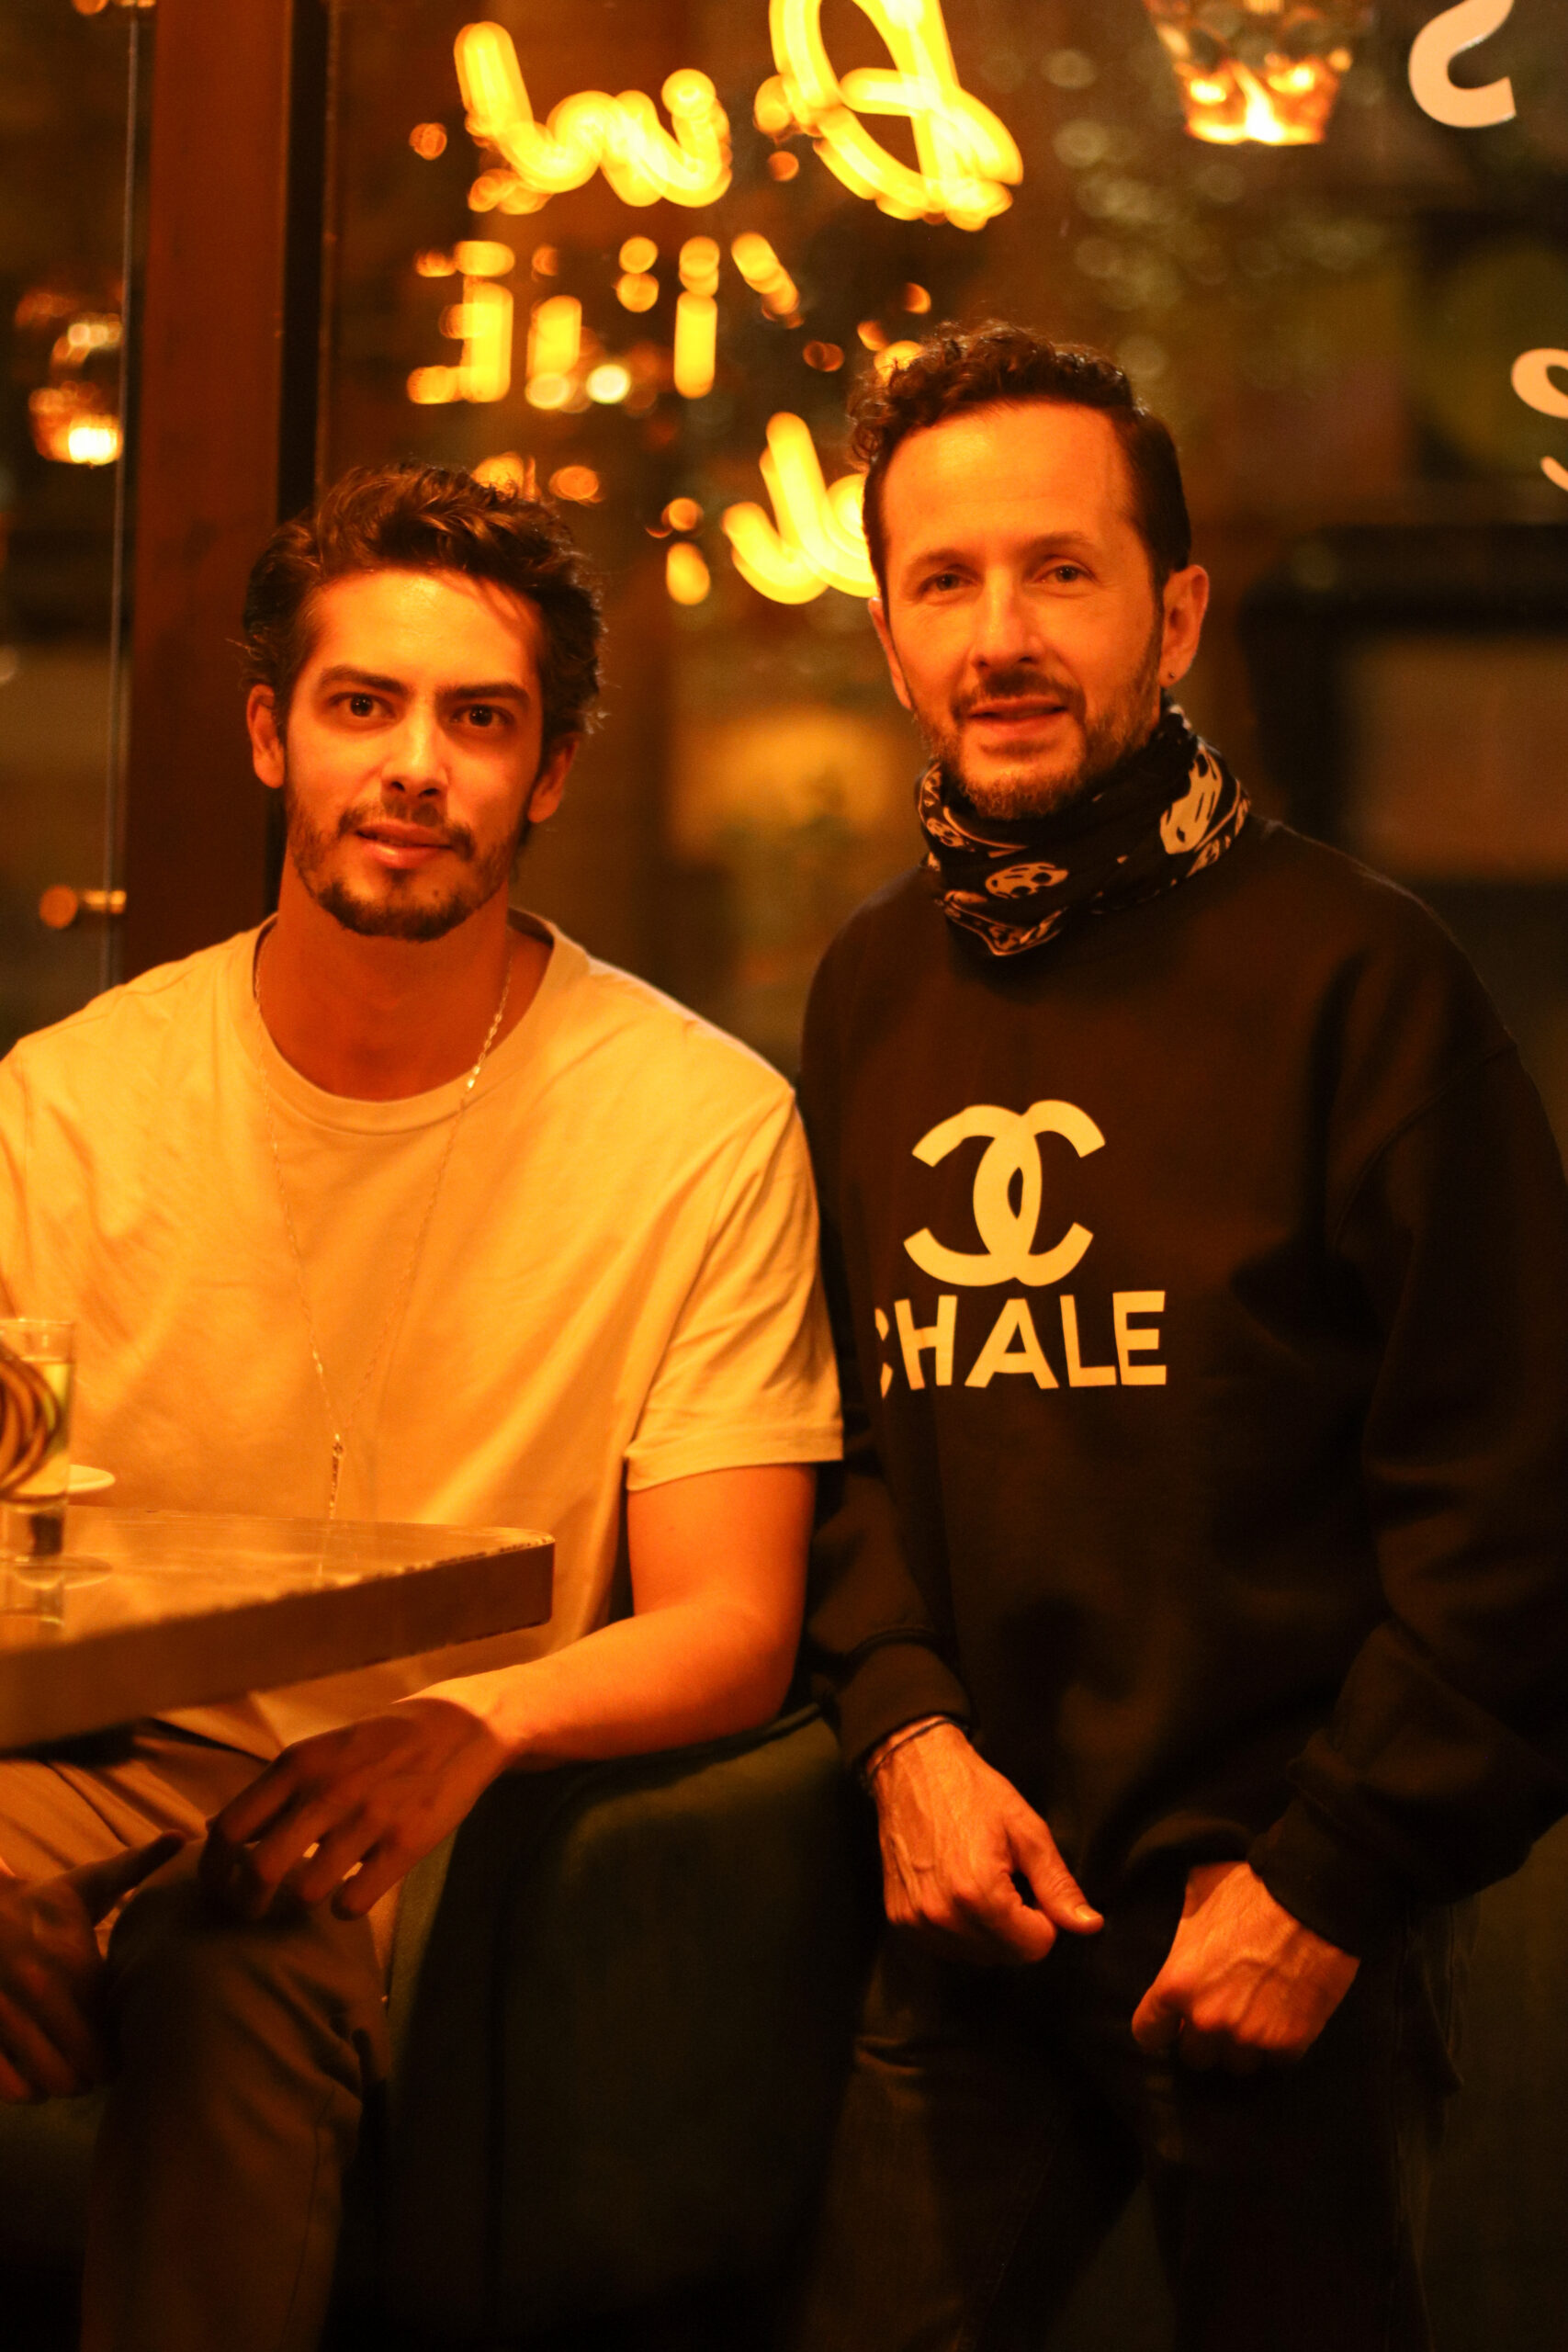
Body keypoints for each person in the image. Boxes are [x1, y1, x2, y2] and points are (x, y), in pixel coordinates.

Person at [0, 464, 840, 2352]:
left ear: (548, 773)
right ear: (269, 736)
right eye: (362, 704)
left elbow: (730, 1618)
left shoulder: (699, 1129)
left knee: (231, 1957)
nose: (413, 766)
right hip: (103, 1752)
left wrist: (469, 1721)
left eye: (478, 720)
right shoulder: (66, 1103)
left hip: (447, 1814)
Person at [789, 325, 1568, 2352]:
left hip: (1287, 1919)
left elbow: (1521, 1502)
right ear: (889, 638)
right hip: (963, 1908)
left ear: (1178, 612)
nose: (1001, 636)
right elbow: (831, 1438)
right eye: (945, 582)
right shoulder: (866, 989)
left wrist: (1329, 1880)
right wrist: (904, 1733)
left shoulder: (1362, 976)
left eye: (1060, 570)